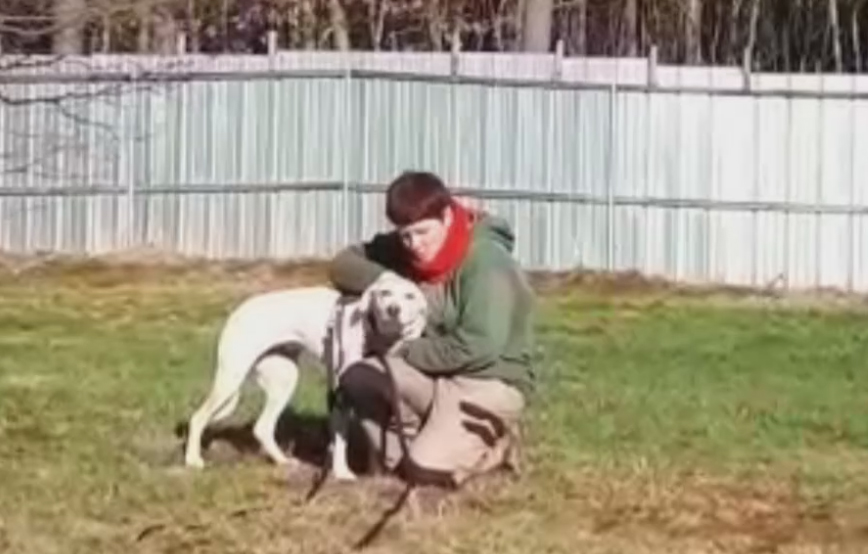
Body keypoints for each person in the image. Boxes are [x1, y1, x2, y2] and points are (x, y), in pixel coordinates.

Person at [327, 170, 536, 488]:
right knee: (358, 377)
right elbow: (342, 264)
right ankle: (423, 439)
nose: (415, 245)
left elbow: (477, 347)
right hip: (433, 373)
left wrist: (405, 350)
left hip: (487, 379)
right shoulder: (407, 246)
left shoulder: (487, 262)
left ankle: (495, 445)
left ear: (447, 216)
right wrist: (388, 280)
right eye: (405, 235)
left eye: (423, 232)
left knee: (426, 472)